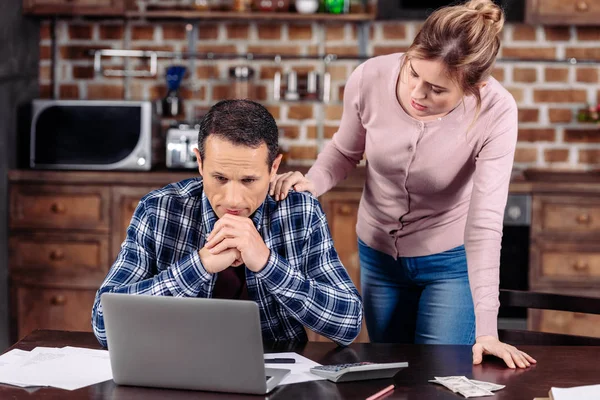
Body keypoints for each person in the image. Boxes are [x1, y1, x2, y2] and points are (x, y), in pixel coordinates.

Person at [269, 0, 536, 368]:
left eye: (437, 90)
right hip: (378, 255)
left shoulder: (496, 111)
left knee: (440, 377)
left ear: (475, 87)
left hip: (450, 262)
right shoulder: (370, 77)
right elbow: (346, 151)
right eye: (413, 73)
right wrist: (311, 182)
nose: (417, 93)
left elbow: (485, 225)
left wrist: (487, 330)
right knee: (390, 372)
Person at [91, 99, 363, 348]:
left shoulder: (300, 210)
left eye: (249, 180)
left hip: (279, 372)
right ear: (199, 162)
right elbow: (104, 323)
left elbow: (348, 324)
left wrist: (267, 263)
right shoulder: (158, 209)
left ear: (274, 167)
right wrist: (201, 265)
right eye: (219, 178)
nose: (233, 199)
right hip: (177, 362)